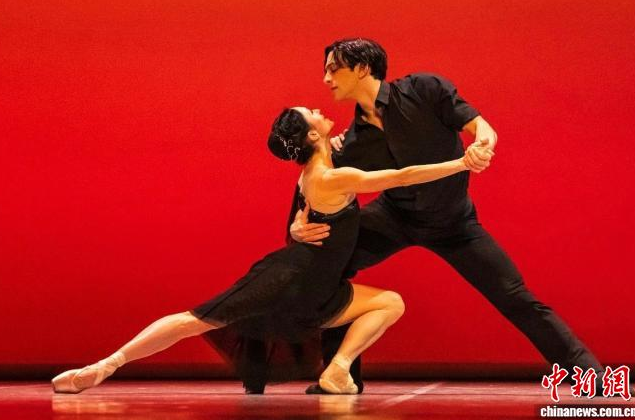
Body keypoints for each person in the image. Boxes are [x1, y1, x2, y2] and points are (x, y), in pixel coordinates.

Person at [51, 107, 488, 395]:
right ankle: (107, 365)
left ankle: (337, 369)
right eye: (312, 113)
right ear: (312, 133)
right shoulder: (330, 177)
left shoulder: (319, 168)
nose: (319, 109)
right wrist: (460, 163)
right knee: (194, 319)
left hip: (319, 289)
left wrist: (297, 222)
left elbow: (308, 202)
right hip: (290, 278)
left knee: (390, 303)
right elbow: (403, 176)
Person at [284, 38, 605, 395]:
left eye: (333, 68)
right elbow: (313, 183)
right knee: (330, 262)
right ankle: (339, 374)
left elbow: (481, 127)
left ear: (361, 68)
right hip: (395, 216)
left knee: (513, 295)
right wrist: (298, 224)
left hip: (454, 224)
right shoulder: (353, 142)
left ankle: (591, 377)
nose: (326, 78)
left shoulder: (424, 89)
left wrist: (482, 144)